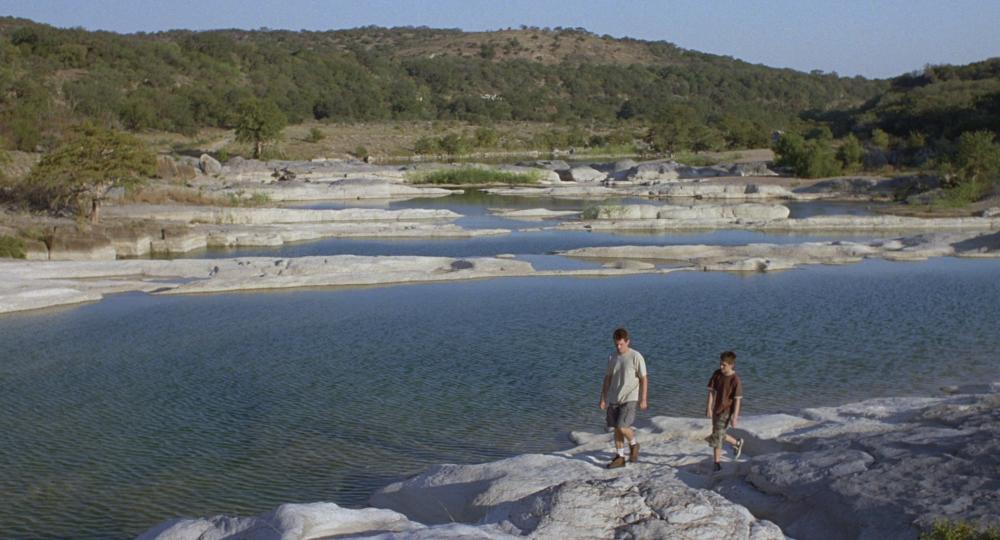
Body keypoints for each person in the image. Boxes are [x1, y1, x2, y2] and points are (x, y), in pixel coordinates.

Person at [599, 327, 648, 469]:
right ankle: (620, 457)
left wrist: (643, 398)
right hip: (615, 398)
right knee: (616, 428)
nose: (619, 347)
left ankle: (634, 444)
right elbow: (607, 379)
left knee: (622, 426)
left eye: (621, 344)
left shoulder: (636, 356)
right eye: (616, 344)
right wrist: (603, 398)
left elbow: (644, 378)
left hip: (630, 397)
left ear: (628, 341)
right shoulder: (612, 357)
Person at [706, 351, 744, 472]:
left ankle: (716, 464)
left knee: (717, 436)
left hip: (726, 411)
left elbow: (737, 400)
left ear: (731, 365)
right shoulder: (717, 374)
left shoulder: (735, 380)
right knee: (717, 434)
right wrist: (709, 407)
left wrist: (735, 416)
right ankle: (737, 443)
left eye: (724, 365)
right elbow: (711, 392)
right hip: (716, 410)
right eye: (720, 364)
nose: (721, 367)